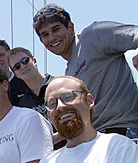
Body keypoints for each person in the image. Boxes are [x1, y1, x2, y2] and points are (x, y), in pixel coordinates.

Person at [33, 4, 138, 138]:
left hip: (126, 133)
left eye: (56, 29)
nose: (52, 38)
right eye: (45, 35)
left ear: (70, 27)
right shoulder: (69, 74)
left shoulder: (92, 35)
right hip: (97, 140)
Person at [28, 76, 138, 163]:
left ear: (89, 101)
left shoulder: (118, 147)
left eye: (67, 97)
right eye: (52, 103)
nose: (60, 106)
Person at [6, 47, 52, 119]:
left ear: (34, 61)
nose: (23, 66)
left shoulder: (59, 84)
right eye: (17, 66)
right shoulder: (23, 105)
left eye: (25, 60)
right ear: (15, 74)